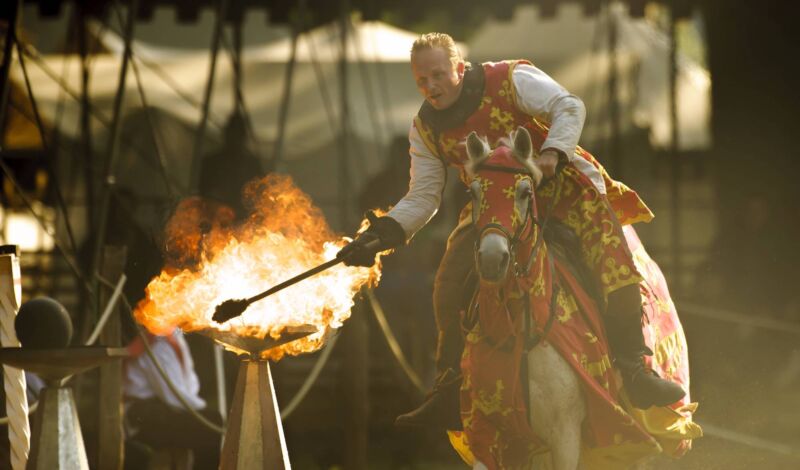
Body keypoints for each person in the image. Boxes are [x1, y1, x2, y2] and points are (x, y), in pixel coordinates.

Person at [338, 32, 684, 428]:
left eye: (437, 75)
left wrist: (553, 152)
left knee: (614, 260)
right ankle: (449, 388)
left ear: (459, 67)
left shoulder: (509, 79)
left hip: (561, 192)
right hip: (494, 208)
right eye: (421, 80)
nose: (430, 87)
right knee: (449, 279)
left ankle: (633, 370)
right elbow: (424, 196)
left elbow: (567, 105)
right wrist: (381, 235)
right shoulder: (426, 129)